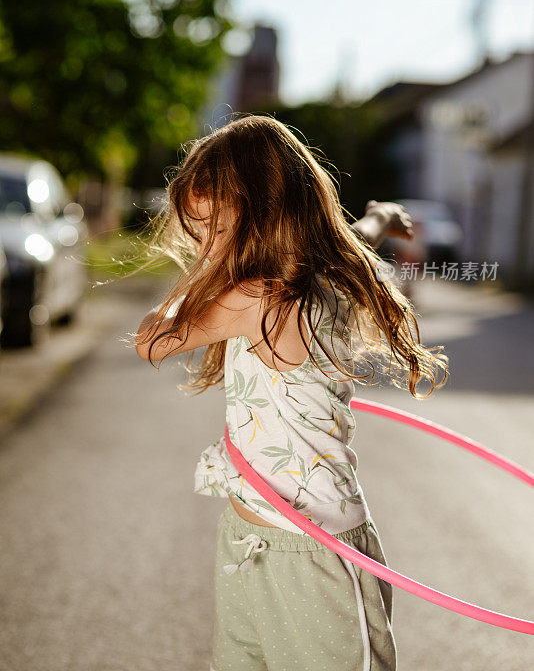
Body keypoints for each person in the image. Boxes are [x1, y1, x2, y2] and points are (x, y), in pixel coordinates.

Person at [133, 114, 448, 671]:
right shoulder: (327, 269)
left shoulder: (260, 295)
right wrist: (377, 220)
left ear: (263, 216)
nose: (205, 245)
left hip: (313, 554)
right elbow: (356, 240)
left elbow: (152, 341)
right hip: (252, 542)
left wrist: (200, 276)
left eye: (212, 229)